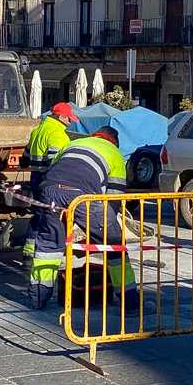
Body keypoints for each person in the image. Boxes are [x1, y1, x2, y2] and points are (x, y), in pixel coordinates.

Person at [28, 126, 138, 310]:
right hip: (83, 196)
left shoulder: (73, 144)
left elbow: (53, 171)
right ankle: (131, 304)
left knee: (48, 246)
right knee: (114, 246)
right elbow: (113, 198)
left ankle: (37, 300)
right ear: (114, 142)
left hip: (49, 192)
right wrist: (104, 225)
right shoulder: (114, 153)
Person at [21, 102, 78, 259]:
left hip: (35, 178)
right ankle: (51, 251)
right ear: (60, 117)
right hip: (50, 180)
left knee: (38, 214)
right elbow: (56, 163)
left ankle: (29, 252)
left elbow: (25, 158)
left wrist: (25, 164)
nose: (71, 122)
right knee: (52, 217)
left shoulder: (37, 130)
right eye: (69, 119)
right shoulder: (57, 134)